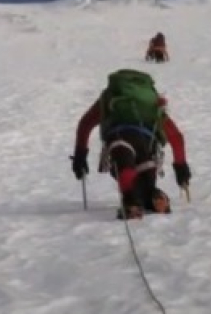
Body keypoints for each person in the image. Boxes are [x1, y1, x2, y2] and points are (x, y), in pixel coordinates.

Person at [70, 70, 191, 219]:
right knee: (146, 182)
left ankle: (130, 201)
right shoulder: (150, 103)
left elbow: (85, 124)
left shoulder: (109, 98)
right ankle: (154, 196)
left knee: (124, 165)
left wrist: (80, 155)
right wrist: (181, 167)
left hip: (119, 137)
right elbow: (176, 136)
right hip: (148, 143)